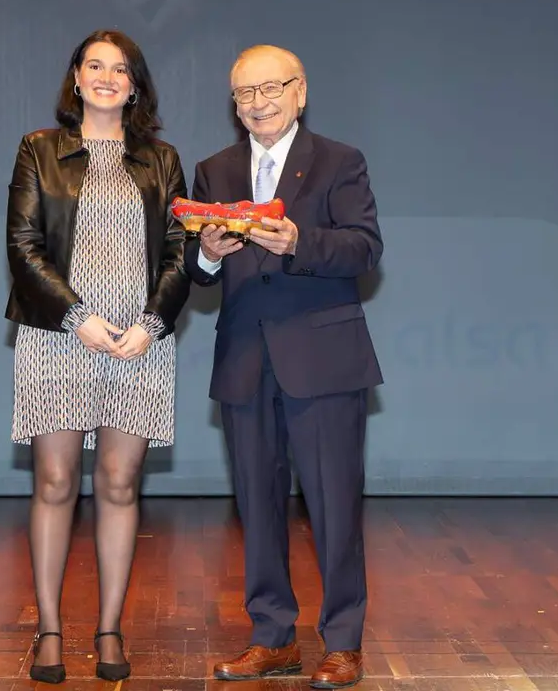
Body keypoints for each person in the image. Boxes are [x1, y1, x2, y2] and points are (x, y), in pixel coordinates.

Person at [185, 45, 383, 689]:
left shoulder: (338, 160)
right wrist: (209, 255)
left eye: (271, 88)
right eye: (244, 93)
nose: (258, 102)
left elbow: (365, 247)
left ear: (301, 90)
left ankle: (343, 641)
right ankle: (272, 638)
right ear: (233, 103)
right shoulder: (214, 169)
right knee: (258, 508)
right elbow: (196, 272)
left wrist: (300, 240)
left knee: (333, 506)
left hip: (322, 358)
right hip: (244, 359)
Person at [3, 28, 190, 684]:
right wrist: (78, 317)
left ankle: (109, 627)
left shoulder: (162, 160)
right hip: (58, 337)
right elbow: (23, 247)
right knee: (54, 484)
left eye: (120, 69)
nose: (107, 77)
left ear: (135, 85)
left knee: (117, 485)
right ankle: (49, 628)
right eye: (94, 65)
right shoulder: (39, 150)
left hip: (138, 343)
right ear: (76, 78)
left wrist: (151, 323)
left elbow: (180, 254)